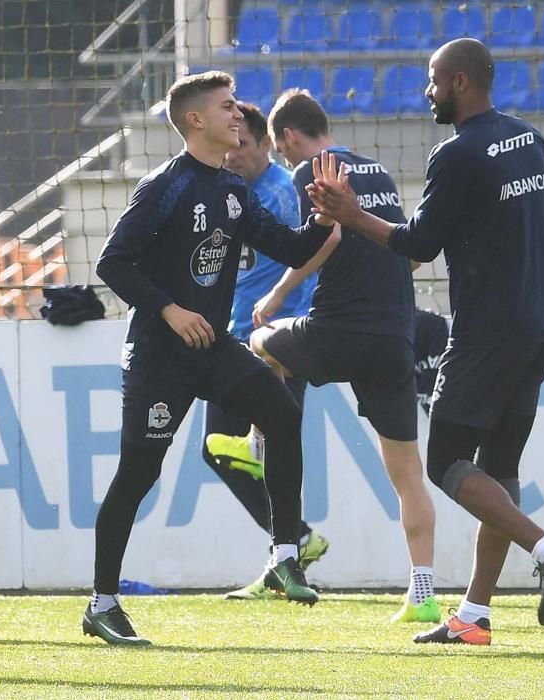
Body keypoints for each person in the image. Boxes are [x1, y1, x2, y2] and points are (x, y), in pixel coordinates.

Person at [306, 38, 544, 646]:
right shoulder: (528, 137)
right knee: (499, 468)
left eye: (433, 80)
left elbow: (418, 244)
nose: (426, 91)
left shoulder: (455, 154)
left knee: (445, 464)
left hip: (488, 332)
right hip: (542, 325)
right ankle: (475, 615)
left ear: (460, 82)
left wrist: (352, 215)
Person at [83, 71, 335, 646]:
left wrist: (325, 214)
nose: (238, 116)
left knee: (282, 412)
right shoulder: (164, 186)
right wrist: (170, 310)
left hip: (211, 348)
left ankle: (284, 554)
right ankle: (102, 601)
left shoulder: (233, 190)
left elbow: (293, 248)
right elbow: (112, 264)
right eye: (227, 107)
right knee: (138, 474)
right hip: (158, 357)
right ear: (196, 120)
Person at [207, 88, 441, 624]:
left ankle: (254, 444)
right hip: (394, 336)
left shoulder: (311, 168)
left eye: (283, 150)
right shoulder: (378, 172)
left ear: (289, 137)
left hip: (339, 329)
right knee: (408, 474)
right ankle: (423, 592)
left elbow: (328, 237)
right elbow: (401, 248)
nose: (286, 160)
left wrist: (278, 294)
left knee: (260, 342)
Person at [200, 101, 330, 600]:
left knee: (256, 447)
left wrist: (277, 315)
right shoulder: (228, 195)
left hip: (273, 341)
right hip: (229, 338)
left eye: (243, 146)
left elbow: (314, 251)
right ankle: (291, 545)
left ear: (263, 145)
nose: (233, 154)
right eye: (230, 144)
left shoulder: (279, 194)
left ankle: (290, 548)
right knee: (221, 451)